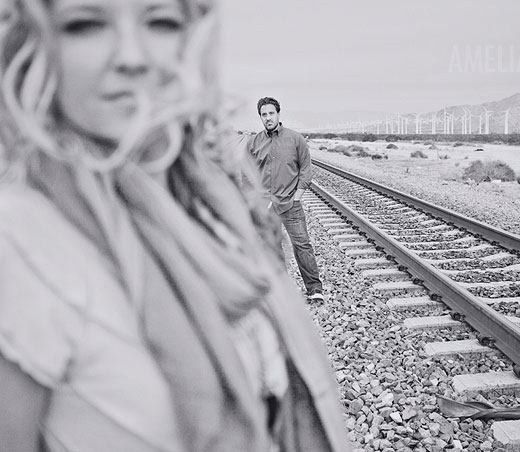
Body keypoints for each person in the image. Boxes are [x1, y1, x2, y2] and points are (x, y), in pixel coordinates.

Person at [0, 1, 350, 452]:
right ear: (36, 42)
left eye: (161, 21)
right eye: (86, 23)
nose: (132, 55)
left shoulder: (209, 196)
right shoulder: (22, 241)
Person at [249, 97, 325, 302]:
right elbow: (247, 175)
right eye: (264, 115)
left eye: (271, 113)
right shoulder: (254, 142)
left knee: (302, 245)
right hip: (266, 204)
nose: (268, 118)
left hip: (290, 203)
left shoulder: (295, 139)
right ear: (260, 117)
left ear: (278, 114)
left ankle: (314, 289)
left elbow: (306, 169)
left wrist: (298, 196)